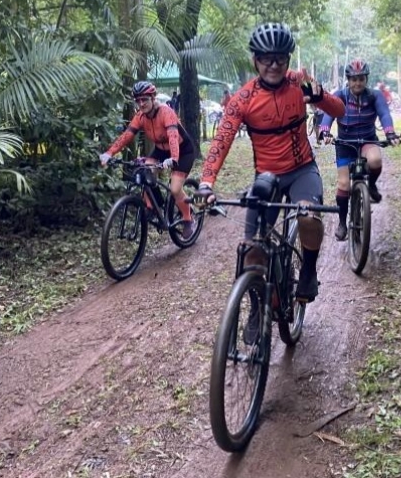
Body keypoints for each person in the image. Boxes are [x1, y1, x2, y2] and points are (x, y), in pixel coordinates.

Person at [194, 22, 345, 341]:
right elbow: (222, 139)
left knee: (308, 215)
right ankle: (255, 308)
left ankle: (307, 272)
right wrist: (207, 182)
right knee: (251, 250)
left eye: (281, 58)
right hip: (267, 177)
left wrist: (319, 95)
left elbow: (339, 110)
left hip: (302, 170)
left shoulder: (299, 84)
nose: (274, 65)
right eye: (266, 58)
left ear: (287, 59)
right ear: (255, 60)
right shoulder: (243, 98)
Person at [100, 81, 196, 239]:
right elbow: (127, 136)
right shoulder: (140, 117)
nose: (141, 103)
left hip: (182, 151)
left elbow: (172, 136)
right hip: (160, 149)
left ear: (153, 98)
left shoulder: (166, 112)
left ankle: (188, 218)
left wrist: (173, 158)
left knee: (175, 189)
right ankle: (153, 206)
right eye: (137, 100)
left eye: (144, 99)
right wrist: (109, 153)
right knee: (144, 172)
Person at [319, 58, 401, 242]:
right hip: (344, 144)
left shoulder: (374, 96)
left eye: (361, 79)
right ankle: (342, 223)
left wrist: (390, 133)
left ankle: (370, 184)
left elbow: (384, 114)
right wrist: (324, 132)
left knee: (375, 161)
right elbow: (328, 116)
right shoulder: (339, 95)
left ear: (366, 79)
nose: (357, 83)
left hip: (367, 140)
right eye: (354, 79)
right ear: (348, 80)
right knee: (343, 185)